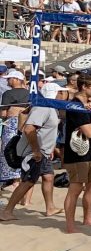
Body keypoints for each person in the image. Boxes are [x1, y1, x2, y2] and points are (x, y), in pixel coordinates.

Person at [0, 90, 60, 221]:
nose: (65, 95)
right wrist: (36, 150)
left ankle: (50, 208)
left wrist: (50, 148)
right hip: (34, 152)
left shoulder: (51, 106)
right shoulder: (43, 107)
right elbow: (29, 129)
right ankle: (7, 211)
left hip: (44, 150)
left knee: (48, 176)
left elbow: (25, 114)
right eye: (62, 92)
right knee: (28, 182)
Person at [63, 72, 91, 233]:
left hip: (89, 152)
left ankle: (87, 219)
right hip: (76, 152)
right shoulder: (76, 106)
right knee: (75, 188)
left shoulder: (89, 104)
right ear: (84, 87)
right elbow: (89, 132)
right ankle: (70, 225)